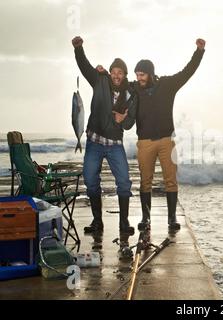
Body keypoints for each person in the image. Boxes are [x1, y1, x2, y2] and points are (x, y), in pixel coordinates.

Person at [134, 38, 206, 232]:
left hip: (167, 140)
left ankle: (172, 217)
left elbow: (187, 72)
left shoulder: (166, 85)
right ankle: (146, 218)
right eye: (137, 74)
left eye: (142, 74)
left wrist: (199, 51)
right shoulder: (134, 88)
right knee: (145, 181)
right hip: (145, 142)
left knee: (170, 179)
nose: (139, 78)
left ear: (150, 74)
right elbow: (115, 82)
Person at [72, 36, 137, 235]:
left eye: (120, 73)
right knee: (90, 179)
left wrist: (121, 120)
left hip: (115, 144)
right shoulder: (99, 81)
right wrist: (78, 48)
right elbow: (85, 67)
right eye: (114, 72)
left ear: (124, 75)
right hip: (94, 141)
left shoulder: (130, 94)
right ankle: (97, 221)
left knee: (124, 182)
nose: (117, 75)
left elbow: (130, 122)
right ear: (109, 73)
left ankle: (124, 223)